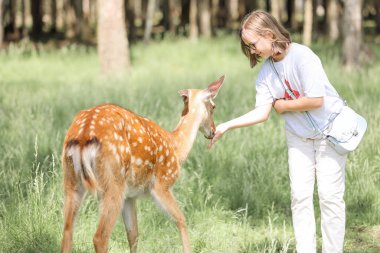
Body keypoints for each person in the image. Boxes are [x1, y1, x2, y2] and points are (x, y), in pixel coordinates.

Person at [208, 10, 347, 253]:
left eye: (253, 44)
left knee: (330, 198)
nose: (252, 51)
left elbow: (316, 100)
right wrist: (226, 126)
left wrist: (284, 105)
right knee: (300, 197)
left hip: (329, 134)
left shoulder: (303, 57)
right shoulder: (265, 74)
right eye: (247, 47)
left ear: (269, 34)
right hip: (299, 139)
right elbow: (261, 113)